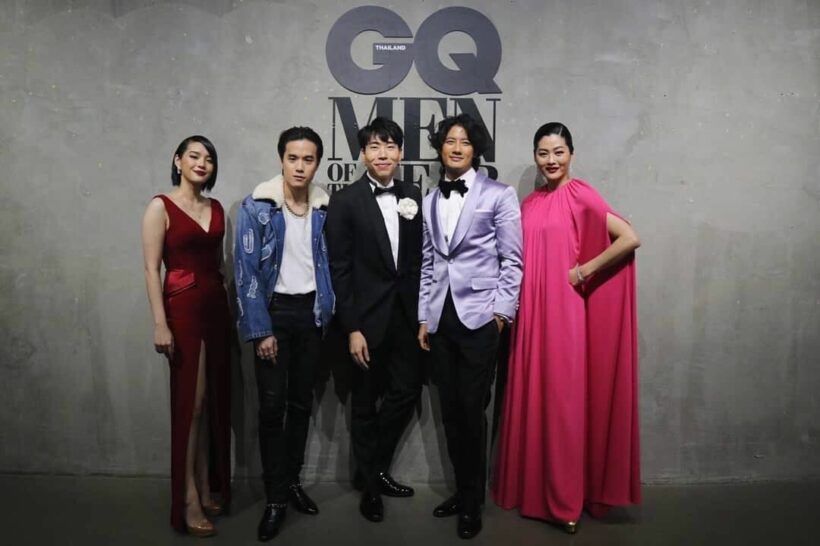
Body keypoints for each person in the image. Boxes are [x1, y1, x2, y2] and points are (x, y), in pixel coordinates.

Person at [492, 122, 641, 534]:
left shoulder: (582, 195)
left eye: (558, 152)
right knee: (535, 396)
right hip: (531, 315)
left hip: (565, 314)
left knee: (563, 403)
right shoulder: (530, 203)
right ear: (535, 157)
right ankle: (534, 491)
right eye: (543, 153)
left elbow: (629, 237)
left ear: (571, 154)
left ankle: (566, 499)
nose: (551, 160)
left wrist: (583, 271)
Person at [417, 114, 523, 539]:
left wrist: (501, 314)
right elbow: (429, 263)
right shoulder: (429, 199)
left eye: (464, 141)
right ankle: (462, 493)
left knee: (471, 410)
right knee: (449, 412)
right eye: (449, 141)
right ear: (440, 148)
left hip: (480, 318)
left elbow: (512, 260)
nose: (457, 147)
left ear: (475, 149)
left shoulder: (499, 194)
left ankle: (472, 502)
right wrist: (424, 316)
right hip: (441, 320)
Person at [234, 127, 335, 542]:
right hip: (274, 314)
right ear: (281, 160)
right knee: (272, 408)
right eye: (293, 158)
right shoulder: (257, 206)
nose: (300, 166)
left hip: (312, 315)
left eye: (308, 159)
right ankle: (275, 498)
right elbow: (246, 273)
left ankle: (292, 481)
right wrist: (261, 330)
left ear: (317, 163)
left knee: (300, 404)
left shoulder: (325, 208)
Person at [326, 117, 423, 523]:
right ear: (363, 154)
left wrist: (422, 316)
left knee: (407, 391)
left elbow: (418, 260)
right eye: (374, 147)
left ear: (400, 152)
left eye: (390, 147)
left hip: (406, 318)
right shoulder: (345, 201)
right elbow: (339, 269)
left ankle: (372, 468)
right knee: (364, 404)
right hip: (365, 322)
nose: (383, 154)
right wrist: (352, 328)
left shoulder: (412, 194)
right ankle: (371, 487)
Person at [141, 135, 231, 537]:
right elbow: (151, 269)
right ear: (178, 161)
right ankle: (188, 497)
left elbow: (218, 265)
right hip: (182, 309)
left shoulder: (216, 208)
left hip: (216, 308)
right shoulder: (160, 206)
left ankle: (207, 484)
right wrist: (160, 323)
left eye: (208, 158)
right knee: (191, 405)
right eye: (194, 156)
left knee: (210, 402)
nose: (202, 163)